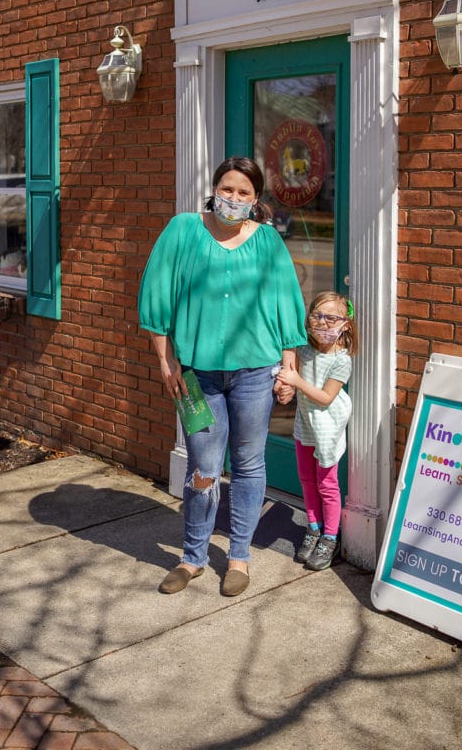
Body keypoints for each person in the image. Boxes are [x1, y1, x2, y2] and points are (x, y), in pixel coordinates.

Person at [138, 156, 307, 596]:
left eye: (244, 193)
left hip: (255, 372)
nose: (233, 199)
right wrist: (165, 360)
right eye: (227, 189)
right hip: (198, 376)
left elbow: (285, 303)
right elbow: (157, 294)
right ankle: (192, 557)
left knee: (249, 465)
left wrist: (289, 364)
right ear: (215, 189)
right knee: (204, 467)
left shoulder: (268, 242)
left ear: (256, 200)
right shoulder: (183, 230)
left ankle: (239, 556)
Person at [274, 291, 358, 571]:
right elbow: (288, 374)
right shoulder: (304, 351)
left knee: (327, 485)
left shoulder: (342, 359)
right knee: (306, 479)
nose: (324, 323)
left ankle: (330, 537)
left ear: (345, 324)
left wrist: (296, 381)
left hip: (328, 427)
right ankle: (313, 527)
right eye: (318, 316)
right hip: (305, 424)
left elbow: (326, 397)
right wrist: (286, 384)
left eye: (332, 318)